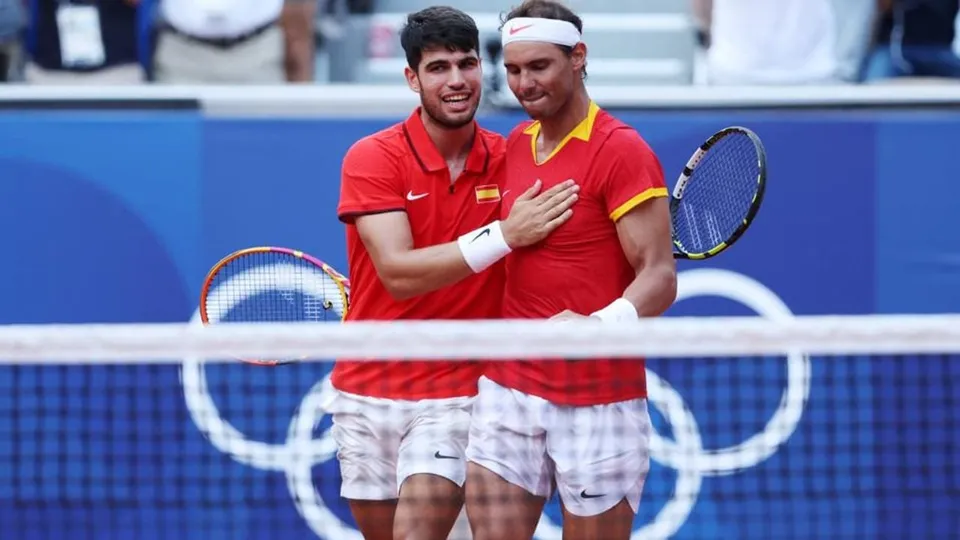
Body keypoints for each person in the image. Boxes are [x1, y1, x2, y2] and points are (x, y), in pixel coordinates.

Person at [333, 6, 580, 540]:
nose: (456, 81)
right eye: (438, 67)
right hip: (365, 391)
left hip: (458, 395)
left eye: (466, 64)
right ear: (411, 78)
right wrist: (504, 236)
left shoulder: (513, 156)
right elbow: (398, 272)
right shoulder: (372, 158)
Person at [464, 1, 678, 539]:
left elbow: (658, 276)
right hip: (508, 387)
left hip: (596, 398)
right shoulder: (513, 146)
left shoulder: (621, 150)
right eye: (513, 70)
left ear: (578, 57)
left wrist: (597, 327)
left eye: (540, 66)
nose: (524, 83)